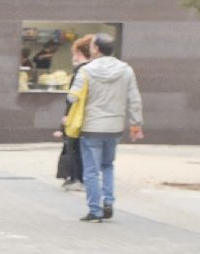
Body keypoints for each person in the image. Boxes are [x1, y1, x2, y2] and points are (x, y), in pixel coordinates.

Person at [69, 33, 144, 222]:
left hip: (92, 126)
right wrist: (136, 124)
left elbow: (72, 97)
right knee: (108, 165)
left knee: (91, 170)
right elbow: (134, 99)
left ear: (95, 49)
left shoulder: (86, 71)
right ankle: (108, 202)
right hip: (114, 127)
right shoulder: (126, 70)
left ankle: (95, 210)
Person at [56, 34, 95, 191]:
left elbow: (72, 97)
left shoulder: (81, 71)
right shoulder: (94, 70)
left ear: (79, 53)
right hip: (90, 115)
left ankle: (77, 178)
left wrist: (66, 116)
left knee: (74, 147)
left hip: (77, 115)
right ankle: (81, 178)